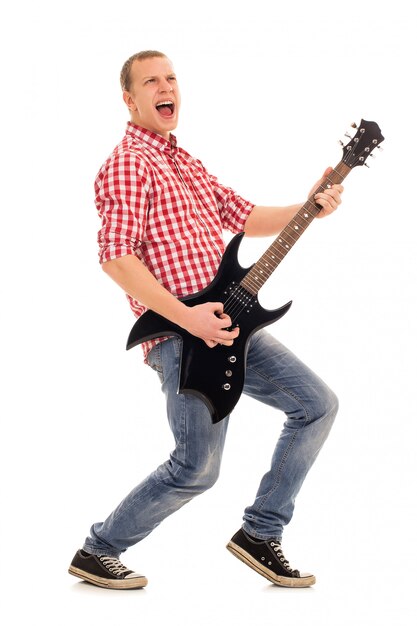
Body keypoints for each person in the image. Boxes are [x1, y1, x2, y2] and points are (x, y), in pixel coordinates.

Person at [68, 50, 343, 590]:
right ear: (130, 99)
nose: (166, 86)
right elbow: (115, 257)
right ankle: (99, 550)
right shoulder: (128, 162)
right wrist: (189, 319)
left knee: (316, 405)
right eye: (151, 80)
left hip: (232, 324)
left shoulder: (183, 160)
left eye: (171, 77)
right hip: (180, 336)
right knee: (196, 468)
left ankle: (261, 532)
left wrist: (310, 204)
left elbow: (243, 216)